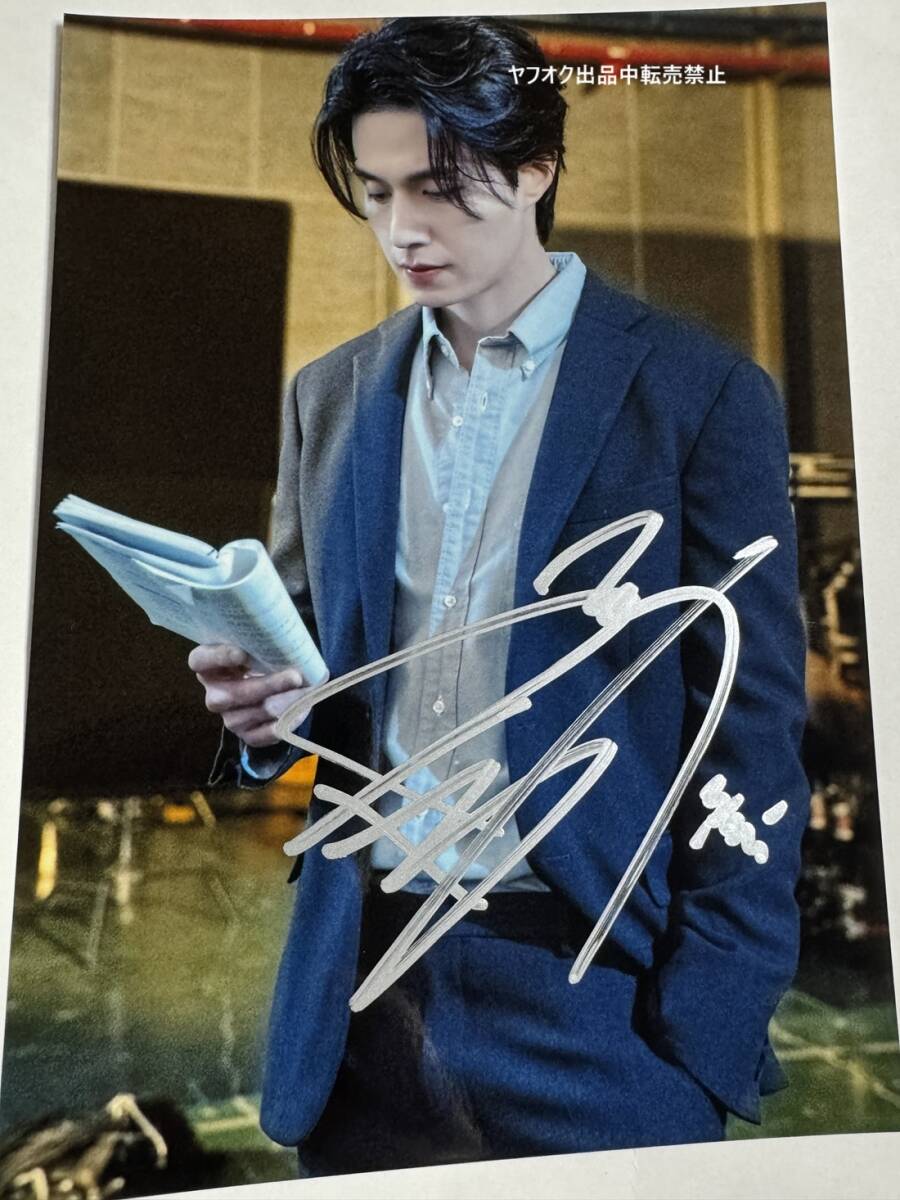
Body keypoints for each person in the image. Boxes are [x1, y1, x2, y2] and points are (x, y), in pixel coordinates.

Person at [189, 16, 809, 1177]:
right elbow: (315, 667)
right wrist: (262, 712)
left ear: (535, 168)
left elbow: (753, 727)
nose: (402, 229)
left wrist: (710, 1017)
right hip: (364, 996)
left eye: (438, 188)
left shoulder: (700, 392)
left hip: (600, 996)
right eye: (376, 192)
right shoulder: (329, 396)